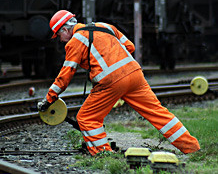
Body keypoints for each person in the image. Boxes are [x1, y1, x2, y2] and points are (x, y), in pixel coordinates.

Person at [37, 10, 200, 156]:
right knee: (157, 112)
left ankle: (103, 154)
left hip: (111, 82)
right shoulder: (105, 26)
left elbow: (65, 75)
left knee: (86, 118)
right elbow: (130, 46)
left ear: (65, 29)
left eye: (59, 35)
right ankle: (192, 147)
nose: (60, 40)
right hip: (135, 74)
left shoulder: (75, 42)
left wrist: (50, 98)